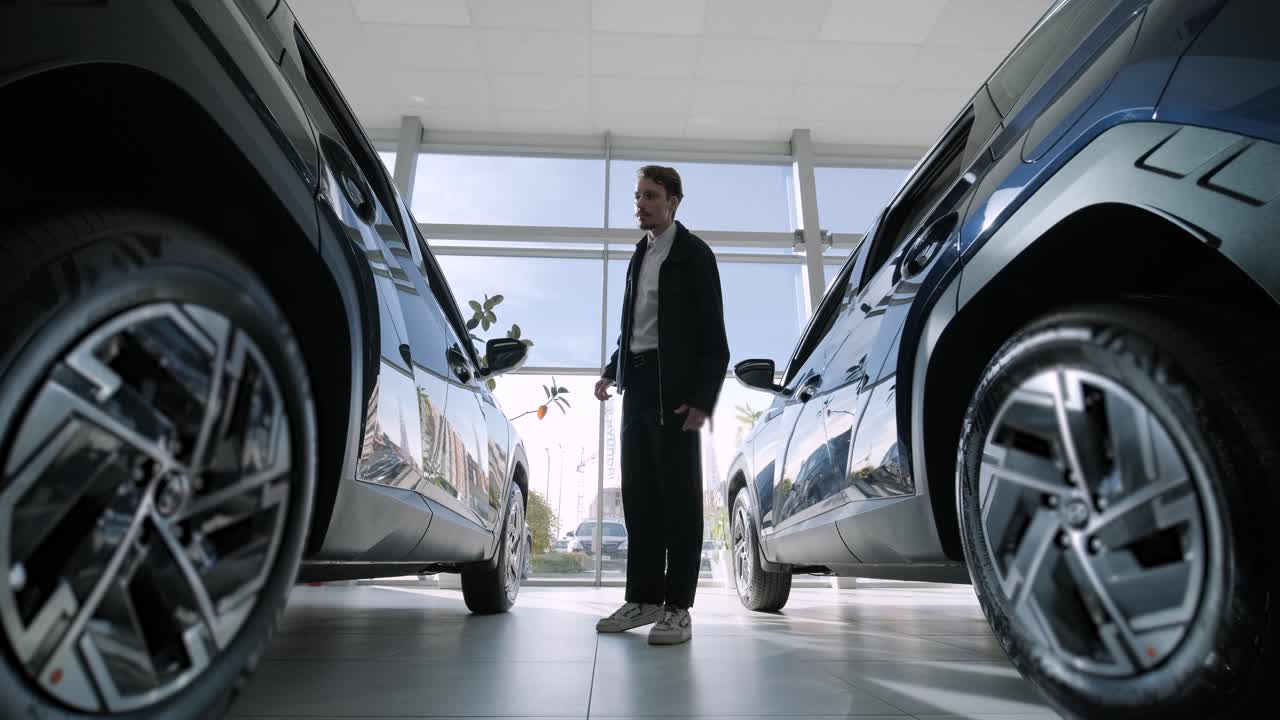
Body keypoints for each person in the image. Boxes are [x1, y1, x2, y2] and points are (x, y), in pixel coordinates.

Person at [593, 165, 730, 645]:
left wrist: (702, 401)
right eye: (637, 196)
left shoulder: (694, 254)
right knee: (641, 499)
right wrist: (613, 369)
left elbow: (714, 339)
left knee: (680, 503)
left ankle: (678, 608)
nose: (641, 204)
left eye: (650, 196)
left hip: (676, 395)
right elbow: (635, 326)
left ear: (673, 202)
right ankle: (644, 599)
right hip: (637, 386)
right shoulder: (639, 255)